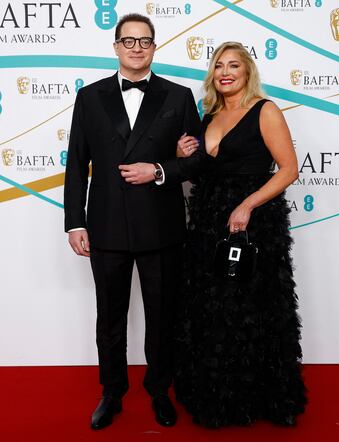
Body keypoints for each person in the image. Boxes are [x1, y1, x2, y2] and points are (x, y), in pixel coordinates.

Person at [64, 13, 202, 430]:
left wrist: (160, 169)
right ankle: (112, 392)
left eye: (145, 41)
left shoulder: (179, 97)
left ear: (154, 47)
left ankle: (161, 391)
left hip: (161, 227)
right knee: (110, 316)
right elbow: (77, 165)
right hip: (105, 227)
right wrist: (75, 222)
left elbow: (196, 161)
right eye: (129, 41)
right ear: (117, 47)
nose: (137, 48)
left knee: (162, 316)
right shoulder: (89, 98)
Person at [174, 41, 307, 428]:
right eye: (219, 66)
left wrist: (248, 205)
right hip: (208, 218)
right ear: (212, 75)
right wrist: (185, 158)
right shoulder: (208, 115)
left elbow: (288, 169)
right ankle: (217, 396)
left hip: (253, 222)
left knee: (249, 307)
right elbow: (204, 171)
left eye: (234, 65)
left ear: (248, 72)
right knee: (214, 307)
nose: (226, 72)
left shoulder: (265, 111)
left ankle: (260, 396)